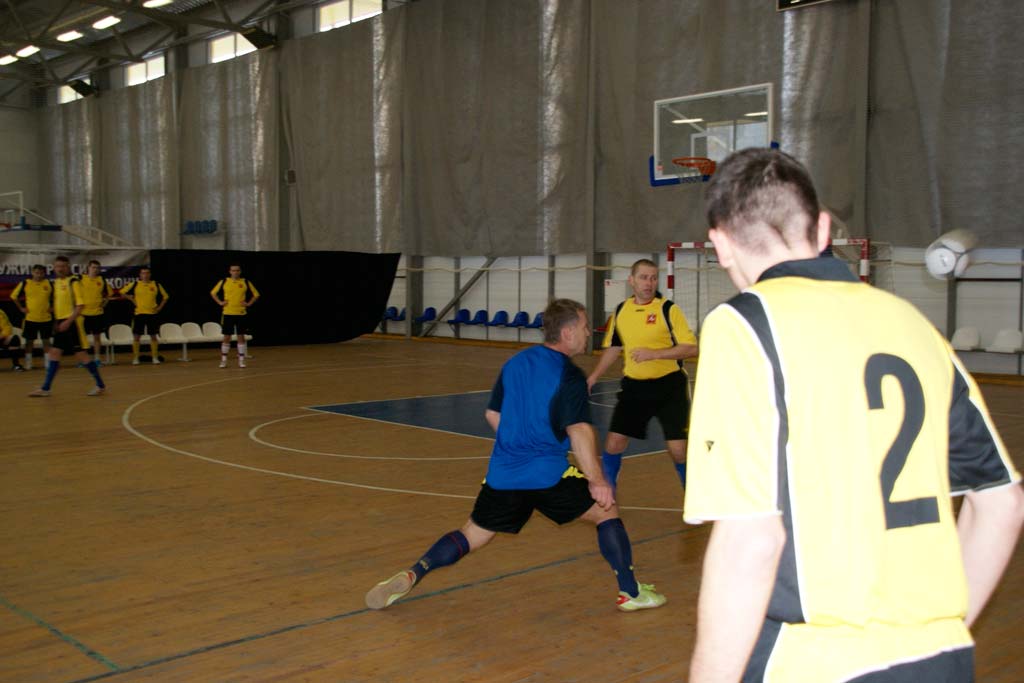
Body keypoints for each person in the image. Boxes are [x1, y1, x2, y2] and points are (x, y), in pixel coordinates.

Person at [683, 148, 1024, 682]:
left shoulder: (744, 325)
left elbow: (751, 540)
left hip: (815, 661)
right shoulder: (913, 324)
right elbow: (1002, 503)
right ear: (822, 229)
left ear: (720, 243)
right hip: (942, 658)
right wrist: (938, 632)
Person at [365, 299, 667, 613]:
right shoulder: (570, 375)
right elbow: (579, 430)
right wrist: (597, 480)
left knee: (472, 534)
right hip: (548, 475)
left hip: (504, 475)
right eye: (584, 326)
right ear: (567, 333)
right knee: (607, 511)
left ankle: (416, 571)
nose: (589, 333)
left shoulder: (515, 363)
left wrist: (518, 442)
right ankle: (630, 593)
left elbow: (492, 414)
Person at [585, 259, 699, 491]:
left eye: (653, 278)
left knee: (678, 450)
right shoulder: (621, 310)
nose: (649, 283)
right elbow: (614, 347)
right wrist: (594, 376)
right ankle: (608, 495)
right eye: (644, 277)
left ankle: (693, 494)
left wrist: (655, 354)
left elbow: (691, 348)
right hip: (634, 388)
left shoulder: (668, 309)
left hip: (670, 388)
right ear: (632, 280)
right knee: (614, 443)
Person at [29, 255, 106, 397]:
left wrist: (68, 321)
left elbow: (80, 305)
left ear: (68, 267)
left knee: (81, 355)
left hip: (72, 324)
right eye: (57, 266)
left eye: (63, 266)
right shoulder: (56, 283)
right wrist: (56, 318)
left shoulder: (74, 282)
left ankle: (100, 385)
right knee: (54, 353)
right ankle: (46, 388)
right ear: (54, 267)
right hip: (61, 323)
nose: (60, 269)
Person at [210, 263, 260, 368]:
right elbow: (213, 293)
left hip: (241, 313)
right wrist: (220, 302)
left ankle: (241, 360)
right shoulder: (224, 281)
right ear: (230, 272)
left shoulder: (245, 282)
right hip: (228, 313)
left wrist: (248, 303)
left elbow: (256, 294)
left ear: (240, 271)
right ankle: (223, 360)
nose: (235, 272)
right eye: (233, 270)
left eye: (237, 270)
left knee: (241, 336)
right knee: (226, 337)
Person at [120, 267, 169, 365]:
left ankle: (155, 357)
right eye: (143, 273)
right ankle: (136, 358)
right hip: (139, 314)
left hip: (152, 314)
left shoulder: (156, 284)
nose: (145, 275)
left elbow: (166, 297)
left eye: (147, 273)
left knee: (153, 336)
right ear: (140, 275)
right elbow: (122, 292)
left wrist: (159, 308)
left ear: (150, 274)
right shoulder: (135, 284)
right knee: (136, 337)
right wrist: (132, 299)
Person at [10, 264, 52, 369]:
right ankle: (28, 363)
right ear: (32, 272)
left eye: (41, 273)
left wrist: (53, 308)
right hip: (30, 318)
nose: (39, 275)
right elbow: (14, 296)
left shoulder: (49, 283)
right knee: (29, 342)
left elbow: (56, 298)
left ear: (44, 273)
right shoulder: (25, 283)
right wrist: (21, 308)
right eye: (37, 273)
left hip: (46, 318)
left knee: (46, 341)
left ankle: (48, 363)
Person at [79, 259, 115, 363]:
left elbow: (110, 294)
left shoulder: (101, 280)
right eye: (93, 267)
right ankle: (83, 360)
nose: (95, 270)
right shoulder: (80, 279)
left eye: (97, 268)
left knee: (97, 337)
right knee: (82, 339)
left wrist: (104, 304)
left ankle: (97, 359)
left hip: (97, 313)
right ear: (88, 268)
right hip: (83, 314)